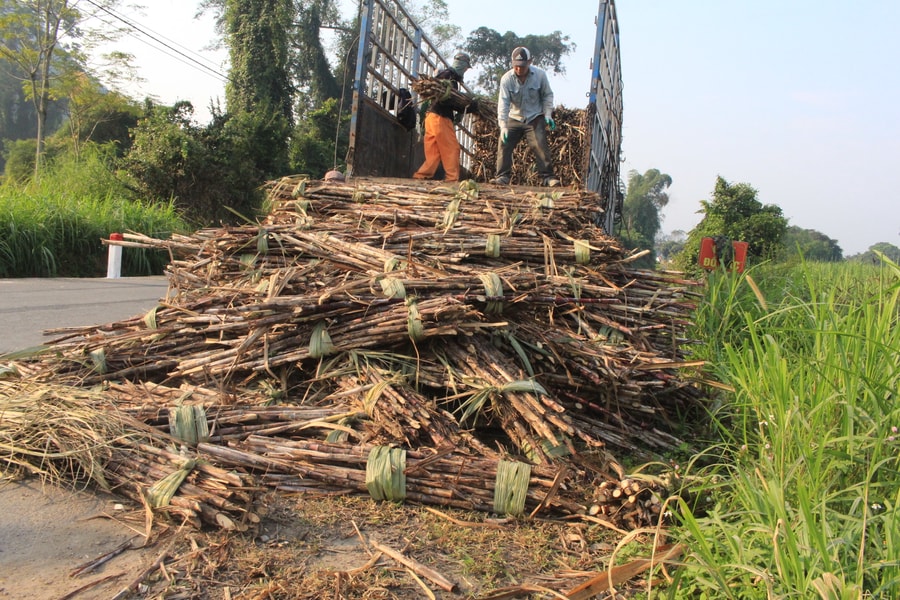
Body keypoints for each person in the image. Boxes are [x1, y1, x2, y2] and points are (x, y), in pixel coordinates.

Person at [492, 46, 560, 187]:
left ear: (529, 62)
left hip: (534, 117)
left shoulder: (540, 76)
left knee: (540, 144)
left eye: (522, 66)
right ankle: (502, 177)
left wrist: (548, 114)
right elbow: (503, 103)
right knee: (504, 144)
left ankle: (548, 177)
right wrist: (503, 126)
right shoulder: (506, 79)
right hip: (514, 117)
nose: (519, 69)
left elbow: (547, 95)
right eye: (516, 66)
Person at [412, 53, 473, 183]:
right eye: (466, 68)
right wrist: (465, 106)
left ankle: (422, 175)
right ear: (462, 65)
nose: (465, 71)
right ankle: (452, 178)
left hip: (430, 117)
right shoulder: (449, 77)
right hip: (441, 117)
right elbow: (448, 100)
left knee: (434, 151)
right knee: (452, 148)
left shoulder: (443, 75)